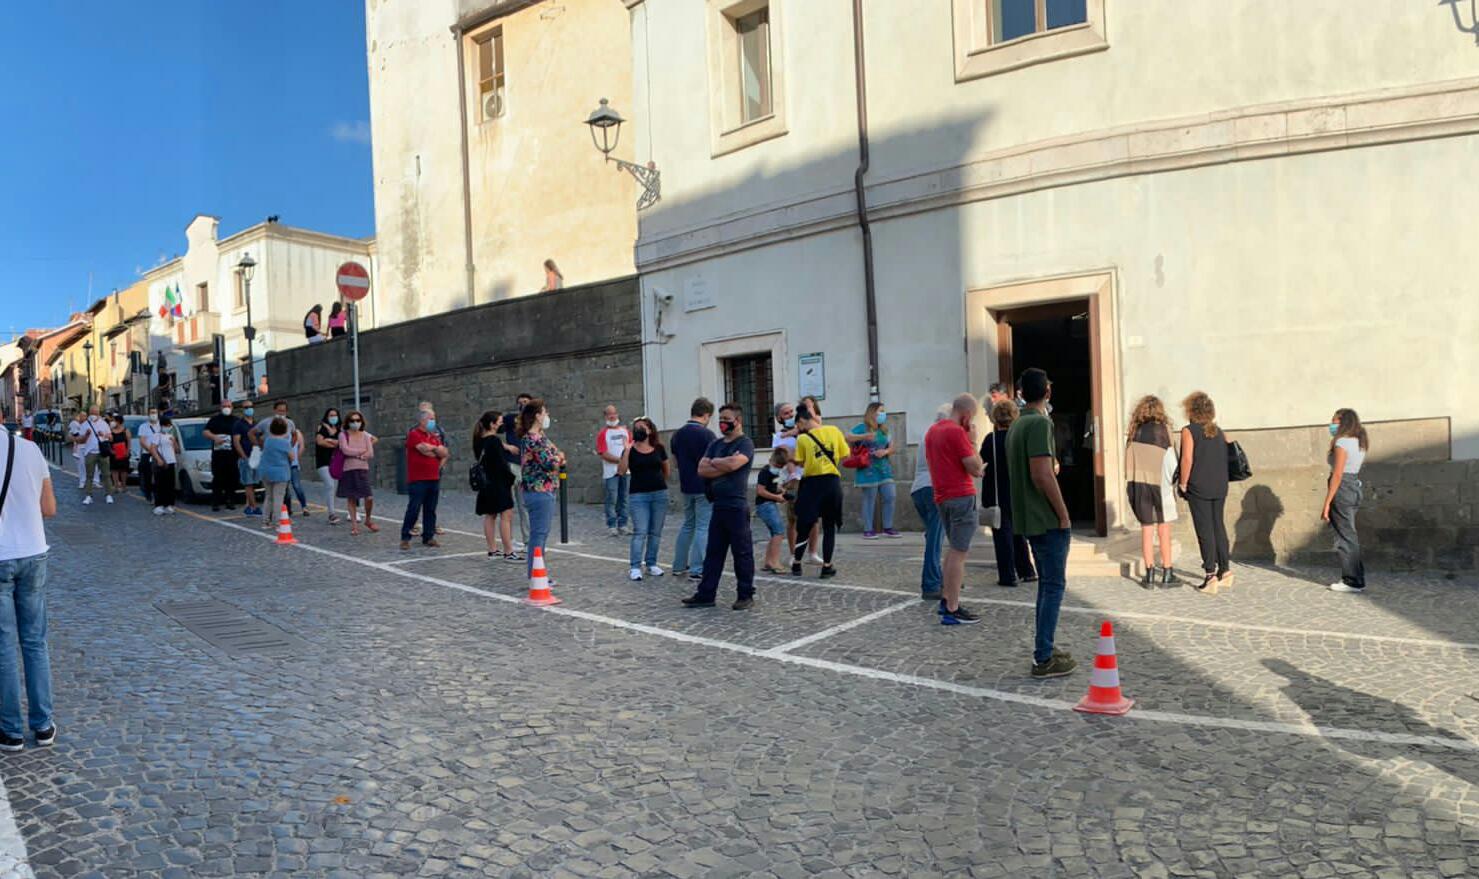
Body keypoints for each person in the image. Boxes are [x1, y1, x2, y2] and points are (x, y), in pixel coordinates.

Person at [1007, 368, 1077, 678]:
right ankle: (1044, 656)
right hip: (1044, 518)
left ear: (1021, 392)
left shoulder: (1017, 424)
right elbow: (1041, 474)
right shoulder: (1038, 423)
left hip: (1028, 517)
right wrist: (1062, 513)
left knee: (1046, 586)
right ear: (1047, 392)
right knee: (1053, 586)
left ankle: (1044, 648)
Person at [0, 422, 58, 752]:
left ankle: (10, 732)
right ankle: (43, 725)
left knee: (4, 646)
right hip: (33, 553)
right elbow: (49, 509)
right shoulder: (32, 450)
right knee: (35, 642)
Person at [682, 403, 757, 609]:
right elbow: (701, 469)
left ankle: (745, 595)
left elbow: (735, 464)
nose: (723, 423)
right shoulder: (715, 444)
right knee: (714, 553)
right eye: (721, 419)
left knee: (742, 553)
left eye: (727, 419)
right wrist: (723, 463)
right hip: (718, 505)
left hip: (736, 506)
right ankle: (706, 594)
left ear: (738, 421)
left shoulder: (746, 443)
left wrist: (716, 463)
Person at [924, 394, 984, 625]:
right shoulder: (957, 432)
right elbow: (976, 468)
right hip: (961, 496)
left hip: (942, 496)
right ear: (967, 416)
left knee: (952, 551)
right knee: (959, 553)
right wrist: (973, 441)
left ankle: (947, 599)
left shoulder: (933, 431)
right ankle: (952, 607)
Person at [1178, 391, 1233, 594]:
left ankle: (1210, 575)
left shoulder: (1189, 431)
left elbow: (1187, 459)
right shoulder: (1219, 431)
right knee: (1218, 526)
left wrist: (1183, 483)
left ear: (1191, 410)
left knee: (1205, 530)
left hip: (1199, 486)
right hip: (1220, 485)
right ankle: (1225, 570)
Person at [790, 403, 849, 579]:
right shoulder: (834, 431)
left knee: (805, 525)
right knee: (829, 526)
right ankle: (827, 566)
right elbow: (844, 454)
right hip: (831, 482)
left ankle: (797, 564)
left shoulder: (802, 439)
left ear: (801, 421)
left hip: (811, 484)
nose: (798, 429)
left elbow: (800, 461)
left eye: (798, 426)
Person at [1126, 395, 1180, 589]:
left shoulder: (1134, 432)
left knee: (1146, 530)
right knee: (1164, 530)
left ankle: (1149, 574)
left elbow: (1128, 463)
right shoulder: (1163, 431)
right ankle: (1167, 572)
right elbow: (1172, 463)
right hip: (1160, 485)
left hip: (1139, 484)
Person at [982, 399, 1037, 588]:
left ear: (995, 418)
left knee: (1002, 534)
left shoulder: (991, 440)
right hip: (1017, 490)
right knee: (1018, 532)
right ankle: (1026, 570)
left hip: (996, 492)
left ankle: (1008, 574)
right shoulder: (1019, 438)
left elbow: (983, 462)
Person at [1323, 408, 1369, 594]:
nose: (1332, 425)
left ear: (1343, 422)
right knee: (1350, 535)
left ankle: (1352, 580)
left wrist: (1327, 502)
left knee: (1345, 536)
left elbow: (1338, 474)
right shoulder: (1360, 441)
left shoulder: (1342, 442)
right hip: (1354, 486)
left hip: (1343, 487)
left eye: (1334, 421)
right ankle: (1356, 577)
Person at [518, 399, 565, 578]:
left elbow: (556, 453)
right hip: (539, 490)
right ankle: (535, 574)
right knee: (538, 535)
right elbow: (551, 462)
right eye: (544, 412)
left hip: (544, 489)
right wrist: (558, 458)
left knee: (541, 534)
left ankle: (537, 572)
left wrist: (558, 457)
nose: (547, 416)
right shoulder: (533, 439)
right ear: (537, 416)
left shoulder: (541, 437)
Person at [670, 398, 717, 580]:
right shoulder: (708, 435)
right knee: (703, 527)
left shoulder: (677, 435)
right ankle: (698, 568)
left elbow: (675, 462)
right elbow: (713, 462)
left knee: (688, 524)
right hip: (704, 486)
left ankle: (679, 565)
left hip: (686, 485)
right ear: (706, 415)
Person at [910, 405, 952, 601]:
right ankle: (931, 584)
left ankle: (941, 577)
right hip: (934, 487)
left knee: (933, 537)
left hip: (919, 488)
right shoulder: (942, 434)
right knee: (935, 540)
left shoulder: (927, 433)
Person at [620, 416, 669, 581]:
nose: (639, 430)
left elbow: (666, 469)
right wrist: (626, 450)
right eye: (636, 428)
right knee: (640, 531)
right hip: (638, 495)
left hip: (659, 494)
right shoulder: (630, 449)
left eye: (642, 427)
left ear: (650, 430)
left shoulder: (659, 448)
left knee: (655, 532)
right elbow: (621, 471)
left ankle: (651, 563)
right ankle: (635, 566)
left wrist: (660, 483)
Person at [400, 408, 448, 551]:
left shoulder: (434, 436)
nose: (433, 422)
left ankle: (428, 536)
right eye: (431, 419)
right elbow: (422, 449)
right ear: (422, 420)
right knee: (414, 508)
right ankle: (405, 537)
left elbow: (444, 452)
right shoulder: (414, 434)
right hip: (418, 478)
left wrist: (433, 449)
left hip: (433, 477)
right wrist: (436, 450)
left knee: (430, 509)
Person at [850, 402, 899, 538]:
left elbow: (893, 447)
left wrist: (885, 451)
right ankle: (868, 529)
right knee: (869, 498)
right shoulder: (862, 427)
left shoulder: (884, 430)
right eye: (880, 411)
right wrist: (864, 436)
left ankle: (888, 527)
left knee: (890, 495)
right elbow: (847, 437)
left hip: (884, 469)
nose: (883, 414)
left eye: (884, 411)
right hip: (868, 469)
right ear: (872, 413)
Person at [473, 411, 518, 561]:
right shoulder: (494, 441)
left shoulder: (479, 440)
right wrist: (511, 479)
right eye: (499, 422)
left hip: (486, 483)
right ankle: (508, 551)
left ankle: (492, 549)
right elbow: (501, 465)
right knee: (506, 516)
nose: (501, 424)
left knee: (490, 515)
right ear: (492, 424)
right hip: (498, 483)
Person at [250, 401, 307, 516]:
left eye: (284, 411)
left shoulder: (290, 423)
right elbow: (252, 433)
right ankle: (276, 518)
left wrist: (290, 446)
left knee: (284, 491)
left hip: (284, 461)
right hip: (272, 462)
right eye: (279, 410)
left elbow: (294, 435)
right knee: (275, 495)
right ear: (274, 410)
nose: (281, 413)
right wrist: (259, 445)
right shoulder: (266, 423)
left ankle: (282, 513)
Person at [336, 411, 378, 535]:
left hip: (362, 469)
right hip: (348, 469)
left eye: (358, 420)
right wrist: (361, 452)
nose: (356, 423)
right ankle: (354, 525)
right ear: (348, 422)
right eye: (353, 421)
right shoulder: (343, 435)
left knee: (369, 497)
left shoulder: (365, 435)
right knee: (351, 498)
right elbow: (345, 450)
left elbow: (370, 453)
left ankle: (368, 519)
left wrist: (358, 454)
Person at [502, 392, 533, 547]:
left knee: (524, 504)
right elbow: (490, 432)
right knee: (508, 505)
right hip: (512, 464)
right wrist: (506, 446)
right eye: (520, 402)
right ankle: (509, 539)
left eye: (526, 402)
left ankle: (528, 540)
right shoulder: (510, 418)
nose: (523, 404)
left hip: (527, 467)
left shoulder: (533, 421)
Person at [595, 405, 630, 536]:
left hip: (627, 471)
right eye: (609, 414)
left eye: (614, 413)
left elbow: (630, 447)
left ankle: (623, 524)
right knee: (612, 498)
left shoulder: (625, 431)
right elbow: (603, 453)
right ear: (605, 417)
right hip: (611, 472)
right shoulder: (603, 434)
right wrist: (620, 460)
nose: (613, 416)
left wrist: (625, 461)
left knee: (624, 498)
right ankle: (612, 525)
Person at [756, 448, 791, 574]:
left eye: (782, 466)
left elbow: (771, 488)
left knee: (774, 533)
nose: (779, 468)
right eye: (777, 465)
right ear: (771, 460)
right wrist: (776, 497)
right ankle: (775, 563)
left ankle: (768, 562)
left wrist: (780, 491)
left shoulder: (774, 473)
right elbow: (760, 491)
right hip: (765, 505)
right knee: (779, 532)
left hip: (769, 504)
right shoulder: (765, 471)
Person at [258, 418, 296, 528]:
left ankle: (265, 521)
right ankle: (277, 521)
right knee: (278, 497)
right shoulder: (285, 443)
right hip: (281, 473)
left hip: (266, 471)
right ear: (285, 429)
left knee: (268, 496)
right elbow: (292, 457)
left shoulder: (268, 440)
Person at [204, 401, 240, 512]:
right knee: (218, 479)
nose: (226, 408)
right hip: (218, 455)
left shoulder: (236, 420)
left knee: (232, 478)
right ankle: (216, 502)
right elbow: (205, 432)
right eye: (224, 406)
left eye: (228, 406)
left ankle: (231, 501)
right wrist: (214, 437)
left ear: (232, 407)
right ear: (220, 407)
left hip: (232, 455)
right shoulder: (214, 420)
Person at [77, 406, 114, 505]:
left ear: (99, 413)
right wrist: (86, 435)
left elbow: (111, 438)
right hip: (90, 452)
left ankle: (108, 494)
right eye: (91, 413)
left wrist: (104, 435)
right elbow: (80, 440)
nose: (93, 415)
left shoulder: (104, 424)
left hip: (102, 452)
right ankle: (88, 496)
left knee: (106, 474)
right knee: (89, 475)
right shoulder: (85, 424)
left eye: (95, 413)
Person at [315, 408, 343, 525]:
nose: (333, 417)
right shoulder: (322, 428)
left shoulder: (340, 429)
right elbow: (320, 442)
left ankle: (332, 510)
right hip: (323, 462)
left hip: (336, 462)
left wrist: (330, 440)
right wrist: (334, 443)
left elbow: (342, 443)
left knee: (333, 488)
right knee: (330, 485)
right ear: (327, 416)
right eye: (331, 415)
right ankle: (331, 513)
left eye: (335, 415)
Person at [233, 401, 261, 517]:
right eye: (246, 407)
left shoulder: (256, 423)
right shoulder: (239, 424)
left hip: (256, 456)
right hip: (246, 457)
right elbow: (236, 442)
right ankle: (253, 507)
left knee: (255, 482)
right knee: (248, 483)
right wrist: (243, 456)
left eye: (251, 406)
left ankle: (249, 506)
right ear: (242, 409)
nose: (249, 409)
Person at [149, 413, 179, 515]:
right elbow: (153, 448)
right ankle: (159, 505)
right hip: (162, 463)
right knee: (160, 484)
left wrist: (174, 442)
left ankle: (169, 504)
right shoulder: (157, 436)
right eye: (167, 425)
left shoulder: (170, 436)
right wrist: (158, 459)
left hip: (171, 462)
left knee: (170, 485)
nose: (168, 427)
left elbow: (176, 450)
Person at [135, 406, 163, 504]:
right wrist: (151, 450)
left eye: (155, 412)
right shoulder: (143, 426)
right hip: (147, 454)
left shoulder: (161, 425)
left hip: (160, 453)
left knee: (159, 476)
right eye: (151, 412)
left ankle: (159, 495)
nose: (153, 414)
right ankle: (148, 494)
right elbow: (142, 441)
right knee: (147, 476)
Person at [108, 414, 131, 495]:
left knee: (124, 470)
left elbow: (129, 442)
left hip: (123, 453)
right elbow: (108, 442)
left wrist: (127, 451)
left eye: (114, 420)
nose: (113, 422)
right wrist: (110, 450)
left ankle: (124, 486)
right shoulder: (110, 431)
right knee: (114, 470)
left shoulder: (126, 430)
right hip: (114, 453)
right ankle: (116, 486)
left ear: (118, 421)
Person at [66, 411, 87, 491]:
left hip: (87, 447)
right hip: (78, 448)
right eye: (81, 416)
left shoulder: (88, 424)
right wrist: (76, 440)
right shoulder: (75, 424)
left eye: (84, 416)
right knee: (80, 465)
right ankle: (82, 481)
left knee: (87, 465)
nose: (82, 418)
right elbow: (70, 435)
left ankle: (90, 481)